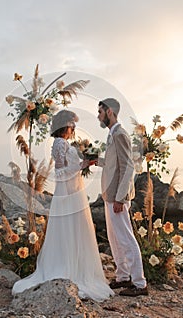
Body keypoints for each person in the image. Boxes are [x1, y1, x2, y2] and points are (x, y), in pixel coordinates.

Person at [12, 109, 114, 301]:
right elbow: (60, 173)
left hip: (74, 192)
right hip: (67, 194)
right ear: (63, 126)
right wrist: (81, 165)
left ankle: (77, 269)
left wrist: (85, 163)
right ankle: (67, 271)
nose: (73, 127)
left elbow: (70, 169)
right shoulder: (59, 143)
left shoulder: (65, 143)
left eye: (73, 124)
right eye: (70, 123)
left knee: (76, 231)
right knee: (69, 231)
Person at [96, 98, 148, 297]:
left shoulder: (119, 134)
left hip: (117, 197)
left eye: (100, 112)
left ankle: (140, 283)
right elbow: (113, 164)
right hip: (110, 195)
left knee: (126, 238)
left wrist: (120, 198)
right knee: (115, 238)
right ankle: (123, 276)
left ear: (109, 112)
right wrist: (96, 161)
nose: (98, 116)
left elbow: (128, 167)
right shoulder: (112, 134)